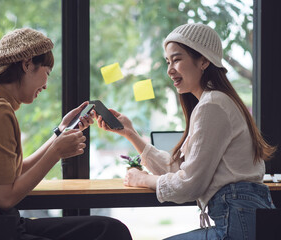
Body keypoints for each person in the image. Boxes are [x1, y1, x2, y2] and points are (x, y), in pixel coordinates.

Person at [0, 28, 132, 240]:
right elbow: (5, 198)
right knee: (110, 232)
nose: (45, 85)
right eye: (47, 72)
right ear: (27, 65)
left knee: (108, 229)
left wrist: (60, 132)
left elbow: (12, 174)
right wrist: (55, 153)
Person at [95, 23, 276, 240]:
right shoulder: (214, 102)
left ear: (204, 60)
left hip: (237, 225)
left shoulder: (213, 104)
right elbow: (179, 168)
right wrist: (130, 133)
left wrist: (142, 180)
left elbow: (188, 184)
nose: (170, 69)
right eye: (168, 61)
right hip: (240, 221)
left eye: (177, 59)